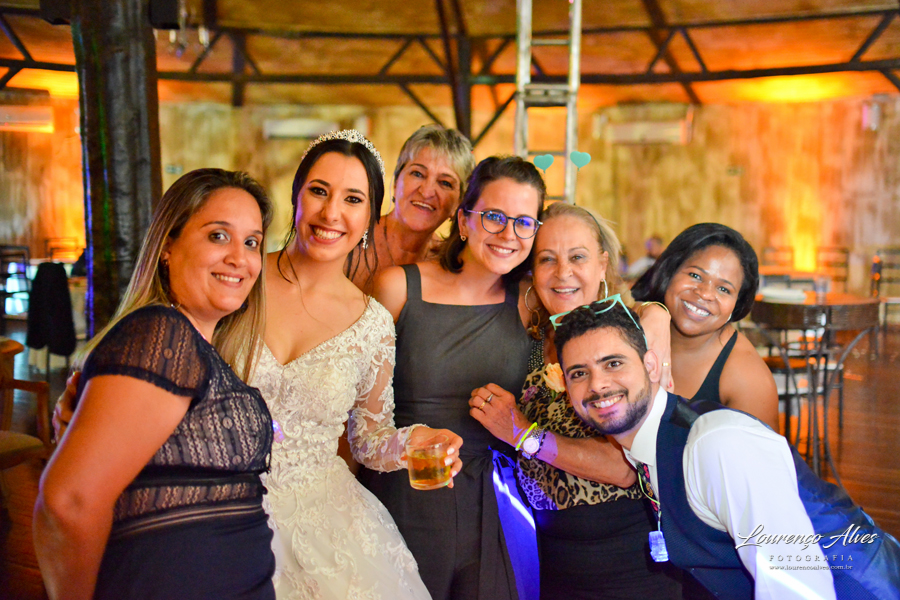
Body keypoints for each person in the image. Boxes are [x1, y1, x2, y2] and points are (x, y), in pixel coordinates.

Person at [34, 169, 277, 600]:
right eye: (218, 236)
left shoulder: (198, 349)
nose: (240, 258)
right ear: (167, 245)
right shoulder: (163, 335)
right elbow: (68, 502)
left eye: (252, 242)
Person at [552, 299, 900, 600]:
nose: (597, 384)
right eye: (578, 373)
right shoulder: (649, 447)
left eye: (613, 363)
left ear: (651, 365)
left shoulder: (715, 445)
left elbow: (797, 586)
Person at [256, 129, 462, 599]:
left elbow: (367, 440)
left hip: (323, 520)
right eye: (319, 191)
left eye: (352, 199)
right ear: (296, 196)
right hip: (223, 507)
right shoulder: (241, 280)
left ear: (370, 215)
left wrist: (413, 441)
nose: (332, 213)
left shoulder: (372, 323)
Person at [465, 202, 681, 599]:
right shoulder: (533, 341)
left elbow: (623, 467)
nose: (563, 273)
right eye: (547, 259)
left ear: (602, 265)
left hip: (627, 564)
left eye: (577, 257)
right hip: (553, 561)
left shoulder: (629, 337)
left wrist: (523, 434)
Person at [359, 156, 544, 600]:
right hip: (406, 495)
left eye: (524, 222)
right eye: (494, 216)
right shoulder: (397, 288)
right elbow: (355, 408)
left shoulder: (532, 302)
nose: (508, 234)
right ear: (463, 220)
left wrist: (654, 313)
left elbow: (601, 316)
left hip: (496, 505)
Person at [631, 223, 779, 429]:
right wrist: (650, 311)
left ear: (737, 304)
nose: (705, 294)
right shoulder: (640, 322)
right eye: (695, 275)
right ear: (670, 273)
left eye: (724, 289)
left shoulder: (749, 380)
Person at [347, 124, 475, 294]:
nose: (427, 192)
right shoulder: (351, 240)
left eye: (445, 183)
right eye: (418, 174)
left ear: (458, 203)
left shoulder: (449, 265)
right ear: (396, 181)